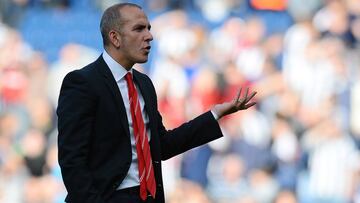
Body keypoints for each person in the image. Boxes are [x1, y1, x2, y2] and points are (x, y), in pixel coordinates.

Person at [56, 3, 257, 203]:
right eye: (139, 29)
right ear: (115, 37)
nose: (149, 36)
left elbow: (162, 145)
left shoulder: (144, 84)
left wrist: (215, 114)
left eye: (149, 28)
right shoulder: (83, 82)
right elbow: (72, 161)